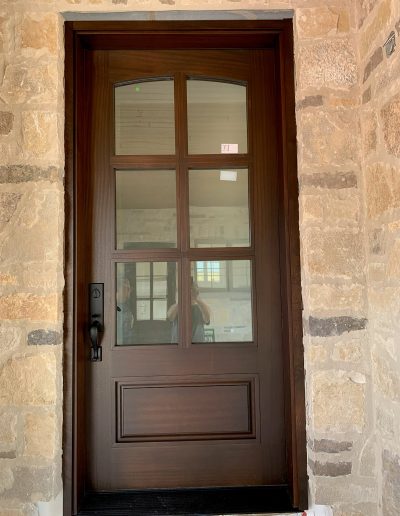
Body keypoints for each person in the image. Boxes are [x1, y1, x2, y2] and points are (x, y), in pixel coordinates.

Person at [116, 275, 134, 345]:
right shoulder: (109, 308)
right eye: (128, 289)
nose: (129, 292)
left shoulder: (125, 305)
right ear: (120, 289)